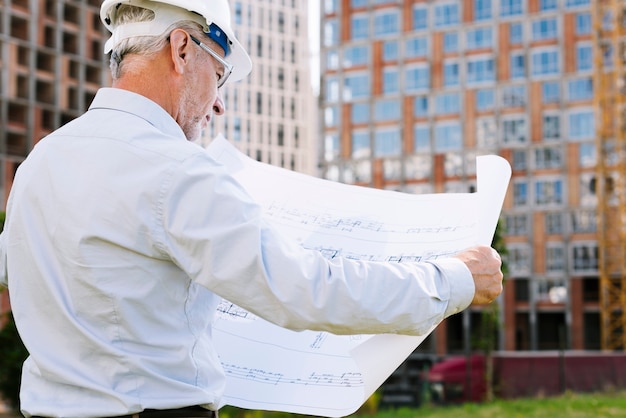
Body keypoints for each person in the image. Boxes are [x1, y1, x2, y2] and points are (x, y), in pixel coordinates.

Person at [0, 0, 503, 416]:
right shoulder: (175, 170)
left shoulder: (41, 161)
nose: (218, 104)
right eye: (218, 76)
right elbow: (305, 290)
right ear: (181, 49)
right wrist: (453, 278)